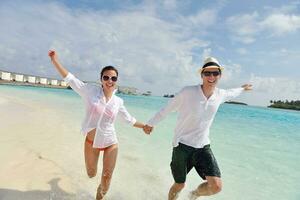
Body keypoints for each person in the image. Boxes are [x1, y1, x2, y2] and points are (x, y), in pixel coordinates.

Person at [143, 57, 252, 200]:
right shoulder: (187, 92)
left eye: (215, 73)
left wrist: (243, 88)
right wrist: (150, 123)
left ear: (220, 75)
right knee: (179, 185)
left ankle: (194, 194)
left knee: (216, 186)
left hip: (203, 146)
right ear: (202, 75)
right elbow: (167, 109)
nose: (211, 77)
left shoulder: (220, 94)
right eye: (207, 73)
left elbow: (233, 92)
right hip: (182, 146)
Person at [48, 50, 146, 200]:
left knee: (106, 176)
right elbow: (71, 79)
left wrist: (145, 126)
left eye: (113, 78)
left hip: (110, 143)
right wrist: (55, 60)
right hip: (91, 142)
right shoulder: (90, 91)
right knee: (91, 173)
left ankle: (99, 198)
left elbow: (129, 120)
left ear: (116, 81)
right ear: (101, 79)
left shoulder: (118, 101)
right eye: (106, 77)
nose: (109, 80)